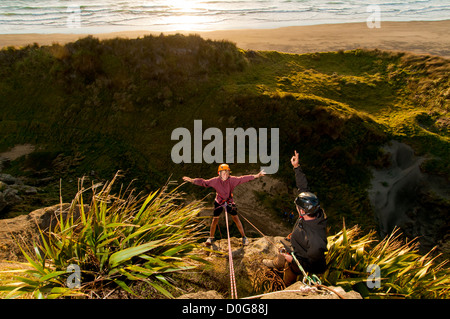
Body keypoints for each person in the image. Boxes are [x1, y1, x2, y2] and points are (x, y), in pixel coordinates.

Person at [263, 150, 328, 286]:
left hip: (300, 262)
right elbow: (303, 188)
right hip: (295, 247)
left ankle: (283, 285)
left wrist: (291, 259)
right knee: (283, 252)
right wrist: (296, 167)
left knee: (287, 279)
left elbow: (314, 265)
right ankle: (276, 264)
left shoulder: (315, 241)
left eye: (298, 207)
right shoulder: (314, 212)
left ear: (302, 211)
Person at [183, 164, 265, 246]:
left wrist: (257, 175)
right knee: (215, 220)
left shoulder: (232, 180)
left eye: (227, 172)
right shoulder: (215, 181)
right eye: (223, 173)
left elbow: (243, 178)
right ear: (219, 173)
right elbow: (204, 182)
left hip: (229, 201)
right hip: (219, 201)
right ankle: (211, 238)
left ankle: (244, 237)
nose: (225, 174)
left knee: (235, 218)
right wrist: (192, 180)